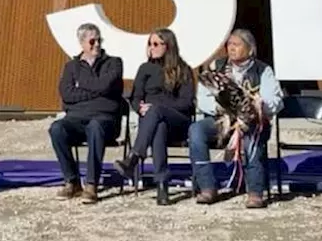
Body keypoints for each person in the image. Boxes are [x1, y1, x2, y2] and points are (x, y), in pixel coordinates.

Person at [188, 29, 284, 207]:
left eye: (237, 44)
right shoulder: (216, 67)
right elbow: (202, 99)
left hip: (253, 123)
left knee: (251, 139)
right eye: (229, 44)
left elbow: (276, 100)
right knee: (196, 130)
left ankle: (255, 193)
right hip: (221, 121)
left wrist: (258, 105)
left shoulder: (263, 70)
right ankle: (207, 187)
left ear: (250, 50)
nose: (231, 48)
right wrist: (219, 108)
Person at [114, 28, 196, 205]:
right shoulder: (145, 69)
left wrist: (158, 107)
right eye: (150, 44)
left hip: (178, 121)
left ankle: (134, 157)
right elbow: (135, 98)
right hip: (153, 123)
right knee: (158, 126)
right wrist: (140, 108)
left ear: (168, 46)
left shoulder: (183, 69)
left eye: (156, 44)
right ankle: (162, 187)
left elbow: (187, 102)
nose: (152, 47)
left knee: (157, 113)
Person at [48, 23, 125, 204]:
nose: (97, 44)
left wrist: (81, 86)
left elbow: (106, 86)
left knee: (95, 127)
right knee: (57, 129)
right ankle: (72, 181)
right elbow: (66, 94)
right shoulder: (71, 67)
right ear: (82, 42)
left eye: (99, 40)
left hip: (105, 120)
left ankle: (91, 184)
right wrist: (97, 91)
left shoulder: (114, 63)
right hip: (76, 119)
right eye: (92, 41)